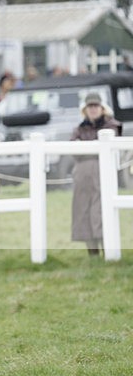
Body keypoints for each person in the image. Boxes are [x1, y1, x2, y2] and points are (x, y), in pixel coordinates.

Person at [70, 92, 122, 256]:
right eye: (89, 107)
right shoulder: (79, 128)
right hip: (83, 177)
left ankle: (107, 248)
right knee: (83, 211)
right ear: (85, 109)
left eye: (95, 106)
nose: (93, 110)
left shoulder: (111, 125)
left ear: (102, 108)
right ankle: (92, 252)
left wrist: (86, 148)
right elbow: (74, 149)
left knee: (101, 211)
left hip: (102, 175)